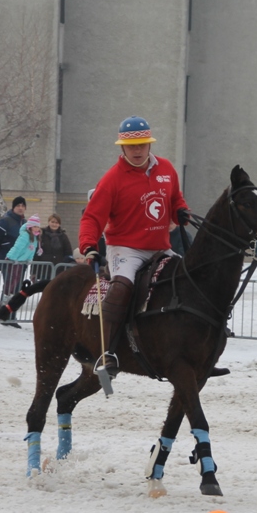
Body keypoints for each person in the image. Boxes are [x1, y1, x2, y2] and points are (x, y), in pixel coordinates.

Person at [78, 115, 189, 378]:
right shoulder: (112, 179)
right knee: (123, 286)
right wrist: (89, 246)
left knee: (187, 278)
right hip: (126, 248)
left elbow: (175, 199)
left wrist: (181, 211)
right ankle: (108, 353)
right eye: (131, 146)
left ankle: (193, 348)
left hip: (160, 247)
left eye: (142, 145)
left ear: (150, 145)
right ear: (122, 148)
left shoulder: (166, 169)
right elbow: (92, 217)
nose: (137, 151)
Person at [0, 195, 27, 326]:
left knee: (17, 289)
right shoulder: (5, 221)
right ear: (13, 207)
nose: (20, 208)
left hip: (21, 262)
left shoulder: (25, 224)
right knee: (9, 287)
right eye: (18, 205)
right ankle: (4, 315)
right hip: (8, 260)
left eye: (23, 206)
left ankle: (12, 315)